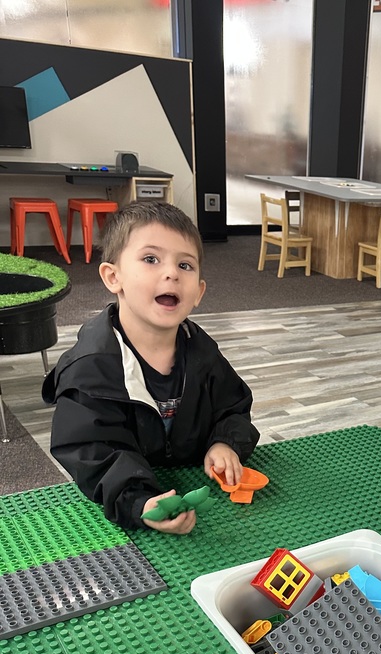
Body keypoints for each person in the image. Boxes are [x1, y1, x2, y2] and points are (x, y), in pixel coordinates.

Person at [42, 200, 259, 534]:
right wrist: (137, 501)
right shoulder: (91, 369)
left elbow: (234, 407)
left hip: (194, 485)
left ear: (198, 292)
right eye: (150, 259)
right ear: (113, 277)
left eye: (185, 265)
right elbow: (90, 450)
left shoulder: (204, 355)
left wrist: (224, 443)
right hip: (125, 509)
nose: (171, 272)